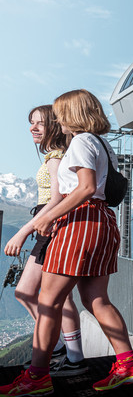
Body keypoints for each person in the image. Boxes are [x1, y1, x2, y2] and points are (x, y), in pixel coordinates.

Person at [0, 90, 133, 397]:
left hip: (79, 223)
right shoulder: (102, 143)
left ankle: (37, 377)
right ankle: (128, 362)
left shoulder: (80, 142)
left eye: (60, 113)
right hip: (103, 223)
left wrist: (46, 218)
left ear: (72, 113)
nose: (58, 120)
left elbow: (86, 188)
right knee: (97, 299)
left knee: (48, 302)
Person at [4, 105, 86, 375]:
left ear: (53, 125)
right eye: (31, 123)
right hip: (49, 222)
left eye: (39, 123)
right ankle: (64, 348)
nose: (33, 128)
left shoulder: (56, 156)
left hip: (49, 222)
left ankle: (64, 349)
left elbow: (57, 199)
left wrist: (22, 230)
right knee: (48, 296)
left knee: (35, 293)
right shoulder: (55, 155)